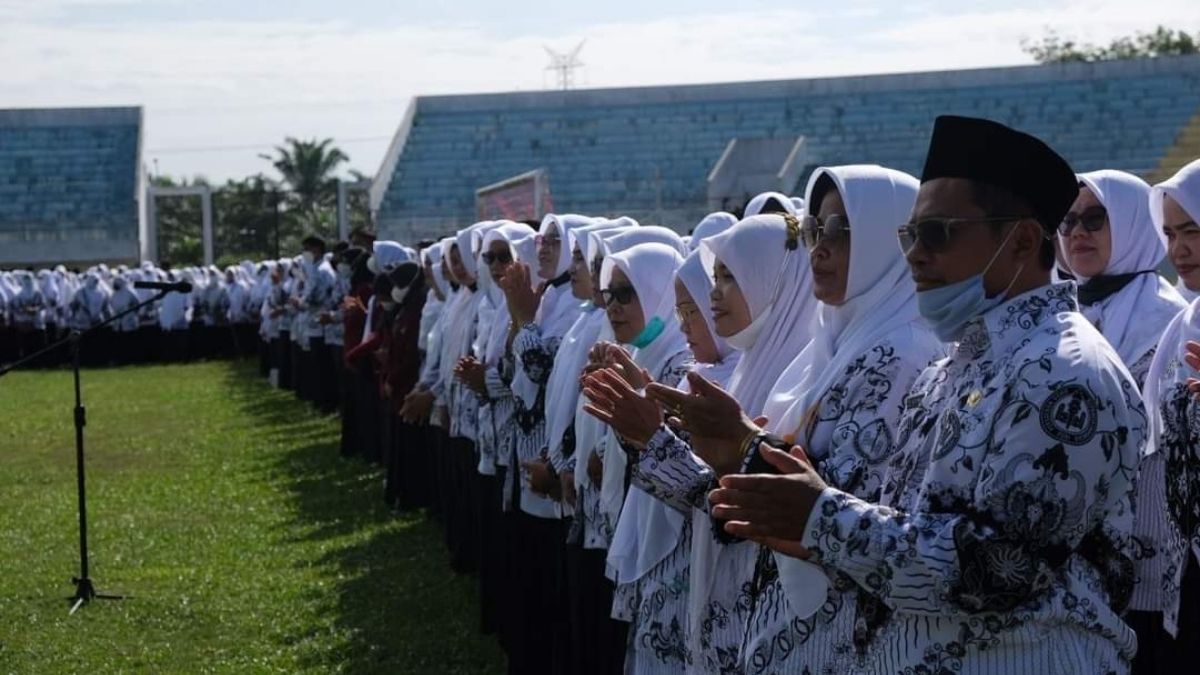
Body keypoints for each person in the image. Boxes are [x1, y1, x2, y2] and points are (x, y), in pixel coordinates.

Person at [705, 116, 1146, 672]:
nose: (915, 255)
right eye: (910, 235)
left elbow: (998, 570)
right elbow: (904, 528)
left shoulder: (1063, 372)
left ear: (1021, 242)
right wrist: (810, 505)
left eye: (938, 233)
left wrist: (822, 517)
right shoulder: (952, 365)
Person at [585, 212, 818, 673]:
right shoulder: (756, 369)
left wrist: (654, 440)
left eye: (730, 277)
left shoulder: (801, 377)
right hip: (726, 607)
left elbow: (741, 502)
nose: (714, 296)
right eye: (714, 278)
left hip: (774, 619)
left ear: (773, 281)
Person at [1138, 156, 1200, 670]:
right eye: (1172, 233)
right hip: (1186, 571)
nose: (1179, 249)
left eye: (1194, 231)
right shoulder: (1184, 327)